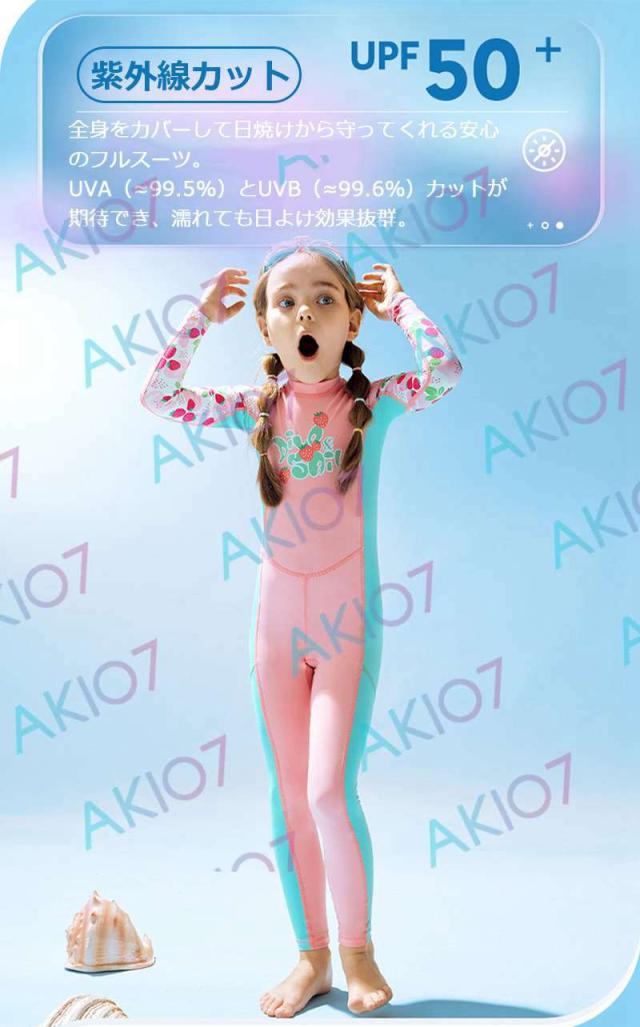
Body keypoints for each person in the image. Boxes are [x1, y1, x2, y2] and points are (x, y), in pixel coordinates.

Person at [139, 236, 464, 1018]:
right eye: (286, 302)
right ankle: (310, 957)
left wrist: (401, 305)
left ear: (352, 319)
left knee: (327, 792)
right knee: (290, 797)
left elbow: (444, 370)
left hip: (347, 628)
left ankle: (359, 951)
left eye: (325, 299)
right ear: (267, 327)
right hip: (276, 629)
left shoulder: (373, 403)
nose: (305, 314)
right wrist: (199, 317)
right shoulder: (256, 407)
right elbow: (158, 396)